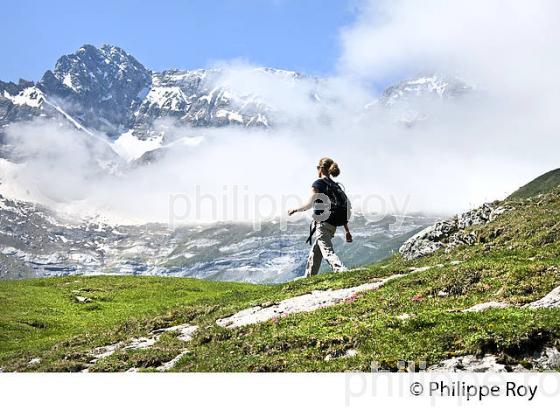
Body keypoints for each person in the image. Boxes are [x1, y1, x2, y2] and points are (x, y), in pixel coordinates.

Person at [288, 157, 352, 277]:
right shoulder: (335, 186)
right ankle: (308, 278)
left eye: (317, 168)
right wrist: (346, 230)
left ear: (321, 169)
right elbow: (342, 206)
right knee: (315, 252)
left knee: (327, 251)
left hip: (322, 224)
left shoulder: (318, 183)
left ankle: (341, 270)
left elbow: (310, 204)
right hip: (332, 224)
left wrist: (295, 209)